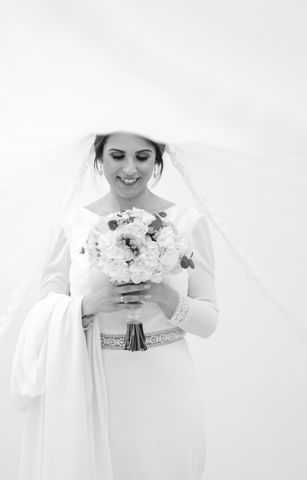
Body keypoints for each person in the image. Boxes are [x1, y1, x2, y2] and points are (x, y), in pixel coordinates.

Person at [12, 131, 220, 480]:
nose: (129, 168)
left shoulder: (186, 222)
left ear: (157, 160)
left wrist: (166, 298)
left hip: (166, 382)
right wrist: (88, 305)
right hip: (95, 383)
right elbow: (43, 314)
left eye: (142, 157)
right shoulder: (74, 224)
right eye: (117, 155)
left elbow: (209, 322)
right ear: (100, 158)